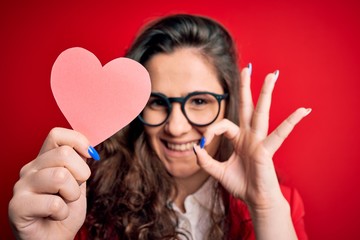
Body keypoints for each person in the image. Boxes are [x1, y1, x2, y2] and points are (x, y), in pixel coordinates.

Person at [8, 14, 310, 239]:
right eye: (156, 102)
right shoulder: (85, 199)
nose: (176, 127)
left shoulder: (278, 203)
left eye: (200, 102)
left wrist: (266, 208)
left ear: (227, 106)